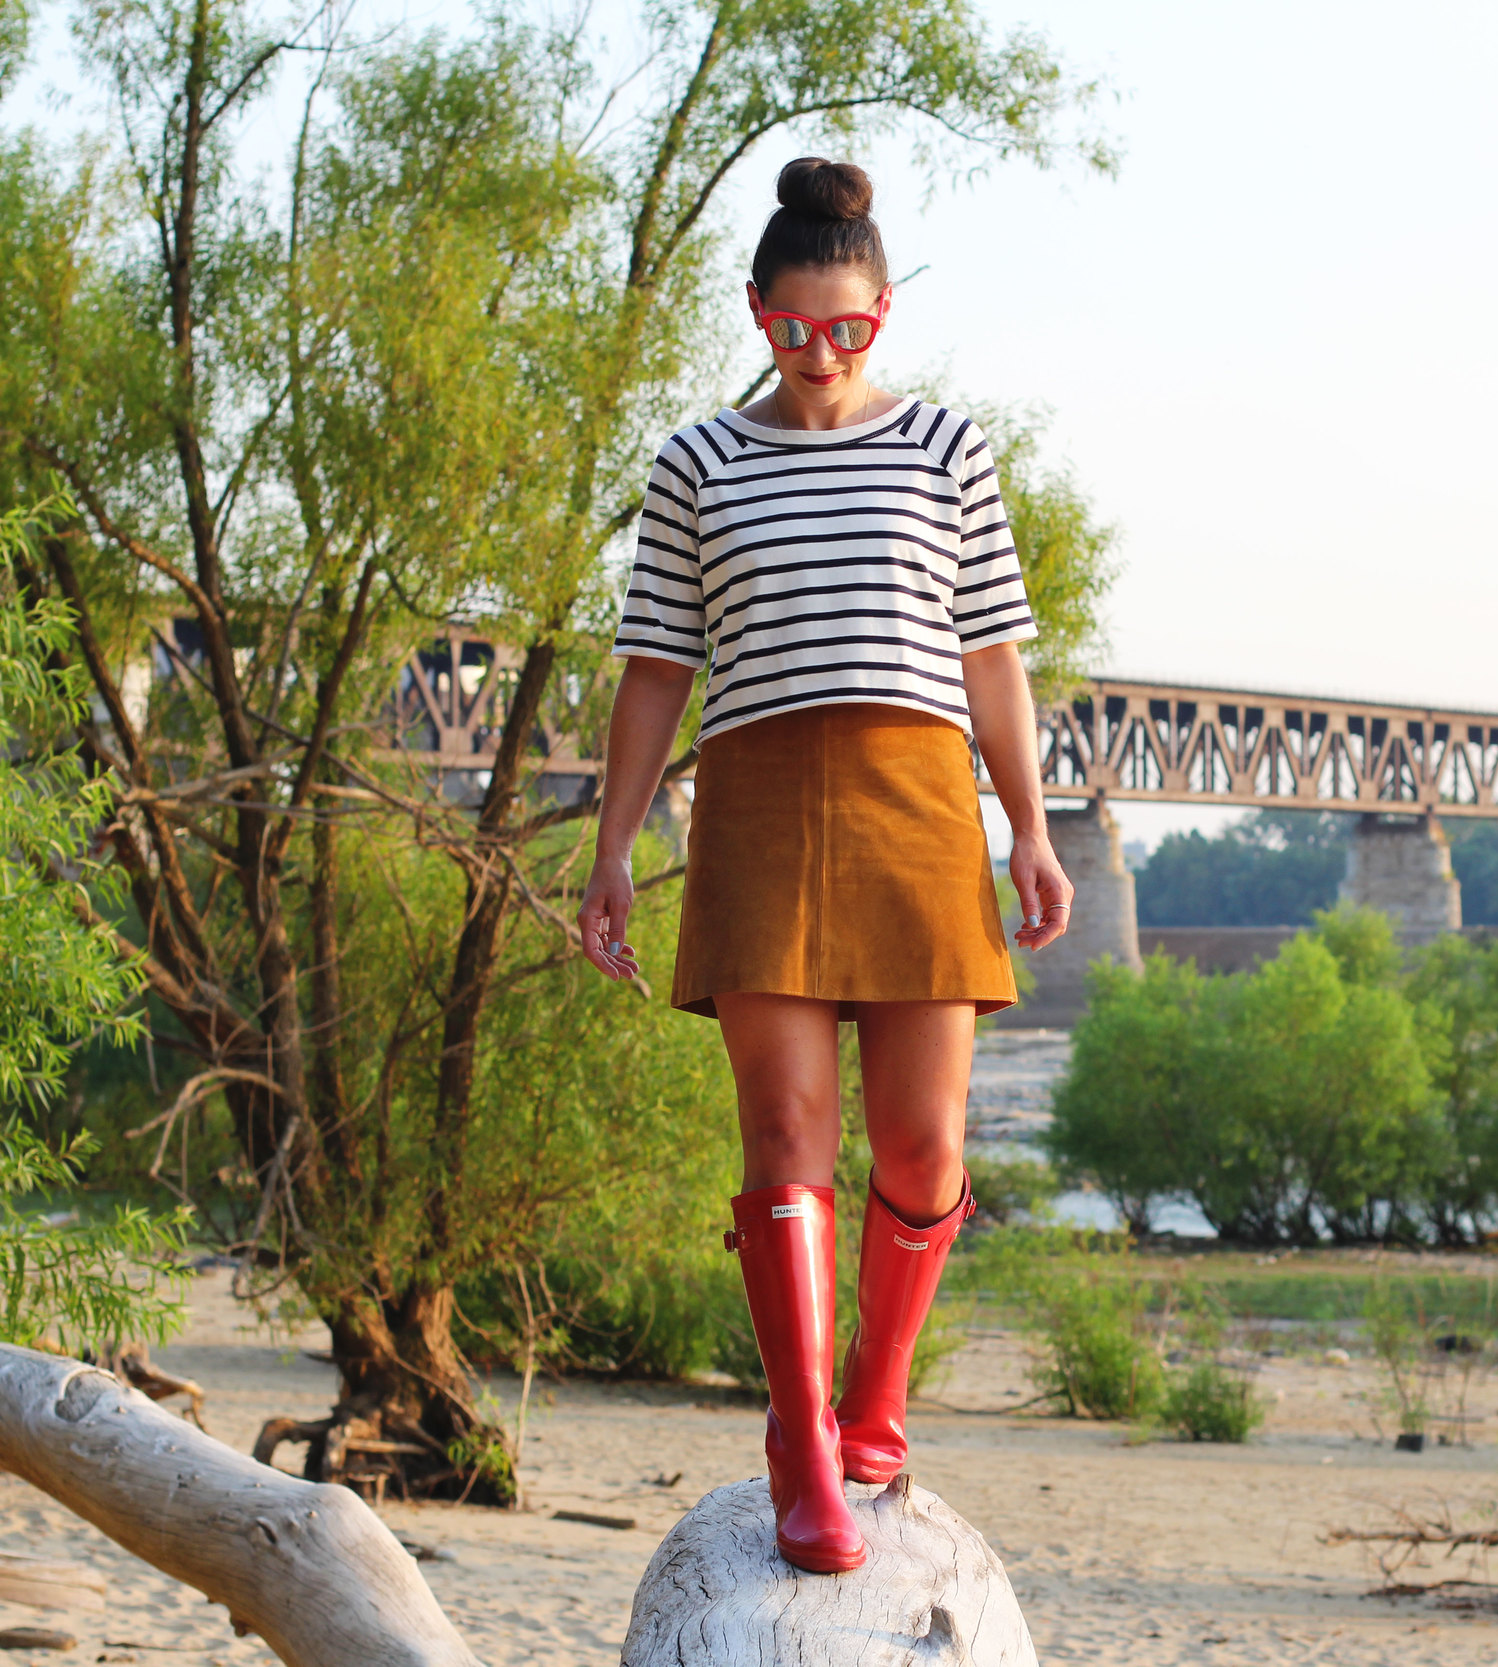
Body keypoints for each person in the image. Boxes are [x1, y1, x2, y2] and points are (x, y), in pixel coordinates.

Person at [577, 156, 1074, 1574]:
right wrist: (615, 851)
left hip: (921, 805)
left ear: (884, 309)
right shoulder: (697, 463)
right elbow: (656, 668)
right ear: (757, 312)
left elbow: (991, 656)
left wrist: (1029, 826)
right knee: (787, 1143)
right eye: (796, 327)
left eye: (848, 328)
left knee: (924, 1145)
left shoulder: (947, 449)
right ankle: (801, 1447)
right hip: (760, 806)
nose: (821, 352)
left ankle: (876, 1403)